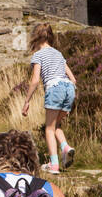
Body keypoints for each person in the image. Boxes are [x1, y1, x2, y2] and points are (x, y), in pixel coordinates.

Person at [20, 23, 77, 174]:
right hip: (69, 89)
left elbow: (35, 80)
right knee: (56, 125)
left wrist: (27, 101)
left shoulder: (38, 55)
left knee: (49, 129)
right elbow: (73, 79)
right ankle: (65, 147)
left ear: (36, 37)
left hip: (55, 88)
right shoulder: (58, 54)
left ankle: (54, 165)